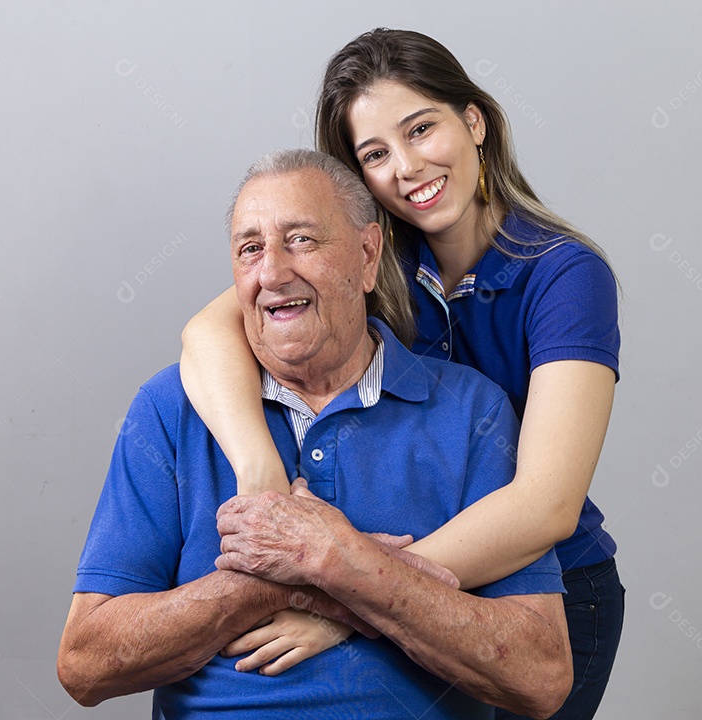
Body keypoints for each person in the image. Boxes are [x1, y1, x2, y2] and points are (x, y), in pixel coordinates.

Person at [181, 29, 624, 719]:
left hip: (549, 591)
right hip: (405, 582)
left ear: (473, 121)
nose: (408, 167)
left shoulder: (564, 275)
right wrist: (261, 479)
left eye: (422, 129)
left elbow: (547, 504)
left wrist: (350, 597)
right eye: (375, 154)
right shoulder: (371, 258)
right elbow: (208, 332)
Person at [57, 149, 573, 719]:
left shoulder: (471, 410)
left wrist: (340, 559)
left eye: (301, 240)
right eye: (250, 249)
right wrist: (274, 580)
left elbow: (540, 676)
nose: (272, 273)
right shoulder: (171, 407)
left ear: (368, 255)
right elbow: (86, 665)